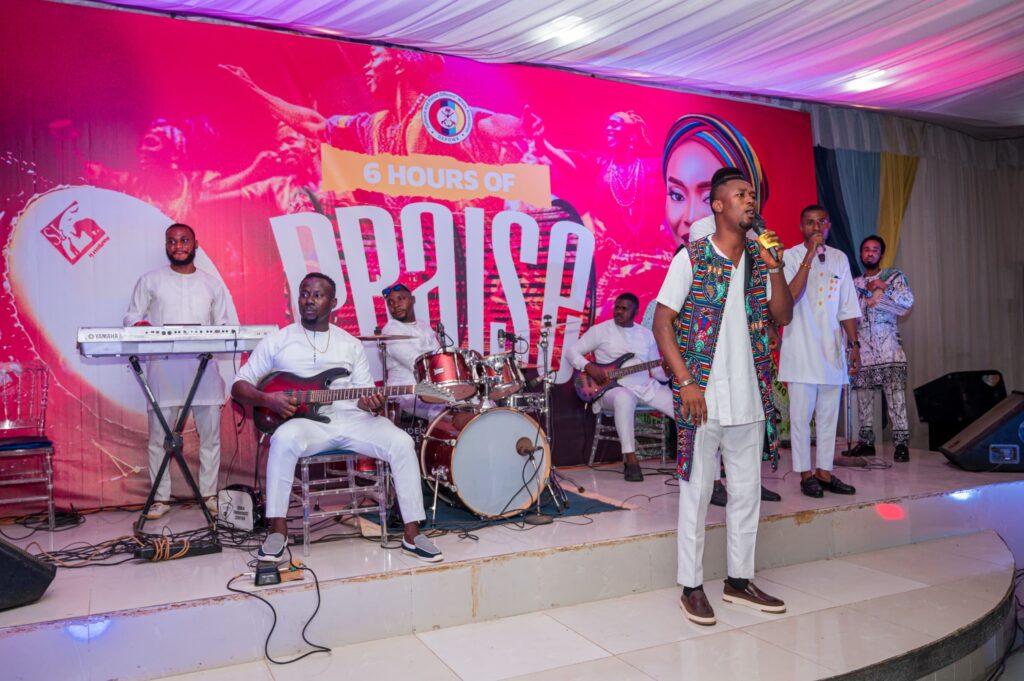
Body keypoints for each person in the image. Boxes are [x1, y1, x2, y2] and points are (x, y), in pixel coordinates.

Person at [653, 172, 793, 626]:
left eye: (752, 195)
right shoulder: (692, 257)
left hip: (750, 396)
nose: (750, 201)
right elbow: (662, 322)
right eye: (740, 195)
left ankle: (738, 581)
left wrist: (776, 267)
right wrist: (686, 383)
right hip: (702, 398)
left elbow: (782, 315)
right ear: (717, 205)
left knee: (747, 495)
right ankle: (691, 587)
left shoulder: (760, 259)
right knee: (696, 493)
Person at [232, 273, 442, 564]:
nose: (309, 300)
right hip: (308, 424)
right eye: (304, 293)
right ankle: (277, 529)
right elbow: (239, 385)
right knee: (282, 439)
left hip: (352, 418)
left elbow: (364, 394)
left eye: (317, 295)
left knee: (402, 442)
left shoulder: (349, 343)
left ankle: (412, 532)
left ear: (333, 303)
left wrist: (371, 404)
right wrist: (269, 400)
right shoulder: (278, 340)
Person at [124, 223, 230, 519]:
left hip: (203, 370)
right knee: (159, 438)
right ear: (166, 246)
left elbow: (222, 325)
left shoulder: (211, 284)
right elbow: (131, 317)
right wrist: (142, 327)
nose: (178, 246)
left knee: (210, 438)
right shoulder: (150, 280)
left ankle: (209, 494)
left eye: (184, 240)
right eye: (172, 241)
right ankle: (160, 498)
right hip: (164, 370)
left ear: (196, 244)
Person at [778, 205, 862, 498]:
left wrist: (854, 345)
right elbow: (789, 298)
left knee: (828, 417)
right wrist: (809, 256)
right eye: (810, 222)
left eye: (821, 222)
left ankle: (825, 472)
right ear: (801, 227)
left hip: (832, 352)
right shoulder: (789, 257)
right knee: (801, 419)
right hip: (800, 351)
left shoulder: (840, 258)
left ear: (828, 226)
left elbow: (847, 307)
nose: (816, 227)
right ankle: (805, 474)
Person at [565, 293, 673, 482]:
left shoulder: (646, 335)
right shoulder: (600, 331)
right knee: (624, 398)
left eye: (624, 309)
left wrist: (668, 370)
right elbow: (571, 352)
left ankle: (699, 459)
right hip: (611, 390)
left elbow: (657, 373)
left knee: (680, 407)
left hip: (645, 387)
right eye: (617, 307)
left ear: (635, 312)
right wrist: (588, 366)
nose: (619, 311)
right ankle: (630, 459)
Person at [848, 235, 915, 462]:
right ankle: (866, 443)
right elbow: (848, 316)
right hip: (863, 350)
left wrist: (883, 286)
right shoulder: (854, 283)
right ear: (861, 254)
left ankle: (901, 445)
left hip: (889, 348)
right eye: (866, 249)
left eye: (875, 250)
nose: (870, 253)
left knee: (895, 397)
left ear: (881, 254)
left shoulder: (894, 276)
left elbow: (907, 302)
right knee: (863, 398)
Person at [380, 283, 447, 422]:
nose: (395, 305)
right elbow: (417, 362)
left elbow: (437, 355)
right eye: (390, 303)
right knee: (445, 404)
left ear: (413, 299)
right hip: (406, 392)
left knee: (473, 398)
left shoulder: (423, 325)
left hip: (430, 387)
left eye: (401, 299)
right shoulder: (391, 330)